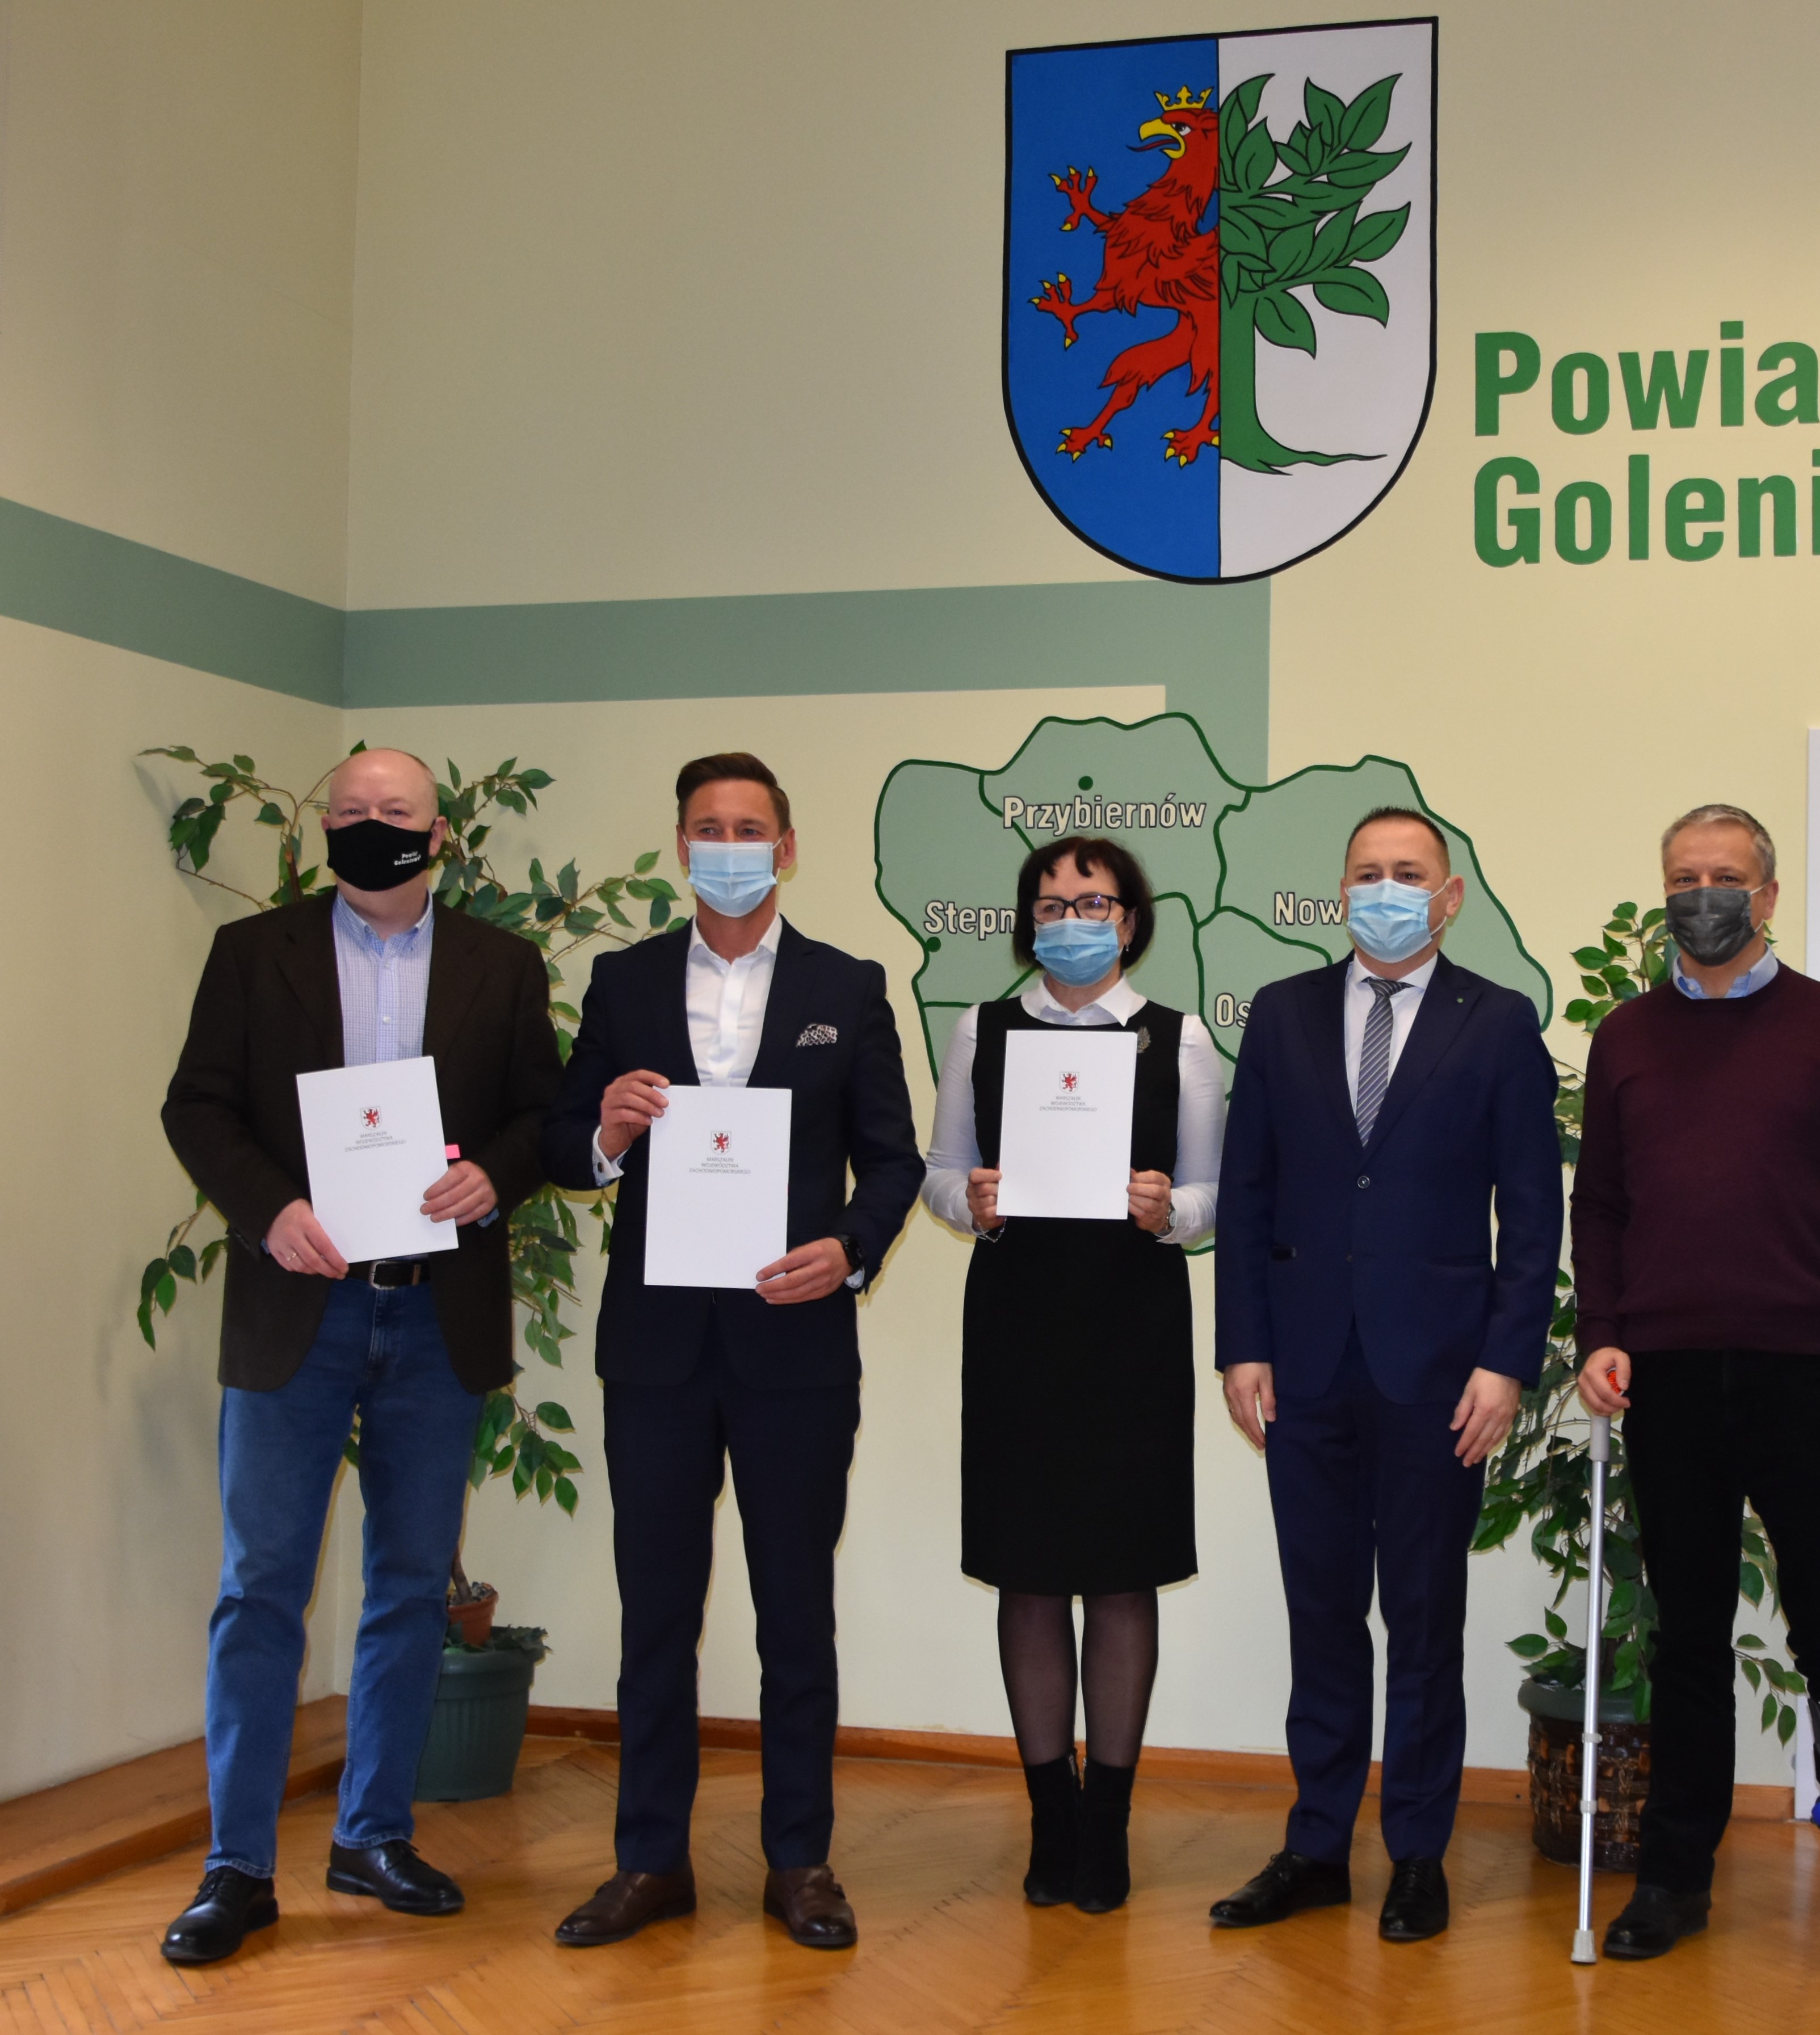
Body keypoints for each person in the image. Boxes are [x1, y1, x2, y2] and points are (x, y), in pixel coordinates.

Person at [155, 746, 563, 1966]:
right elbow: (196, 1105)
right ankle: (236, 1866)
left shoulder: (503, 963)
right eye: (349, 810)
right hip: (300, 1305)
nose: (370, 823)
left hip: (437, 1315)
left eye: (395, 810)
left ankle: (372, 1834)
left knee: (408, 1586)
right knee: (260, 1588)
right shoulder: (253, 952)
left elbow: (541, 1115)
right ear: (323, 828)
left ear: (439, 835)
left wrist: (497, 1175)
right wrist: (269, 1207)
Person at [543, 753, 923, 1953]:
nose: (728, 845)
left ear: (786, 848)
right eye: (708, 827)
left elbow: (894, 1158)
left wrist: (848, 1248)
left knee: (794, 1615)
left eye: (749, 827)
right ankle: (648, 1859)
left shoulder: (847, 984)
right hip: (654, 1353)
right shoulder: (622, 980)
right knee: (655, 1614)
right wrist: (604, 1133)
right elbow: (565, 1140)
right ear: (680, 845)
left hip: (793, 1348)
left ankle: (799, 1860)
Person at [1573, 802, 1820, 1974]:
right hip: (1667, 1377)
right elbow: (1600, 1205)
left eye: (1724, 876)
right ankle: (1672, 1877)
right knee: (1685, 1632)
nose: (1703, 896)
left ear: (1769, 895)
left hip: (1807, 1375)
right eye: (1683, 878)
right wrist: (1599, 1334)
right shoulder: (1627, 1034)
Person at [1209, 807, 1562, 1944]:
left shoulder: (1497, 1021)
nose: (1386, 889)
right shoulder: (1282, 1014)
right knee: (1320, 1615)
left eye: (1408, 873)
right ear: (1341, 891)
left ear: (1448, 896)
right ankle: (1316, 1844)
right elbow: (1248, 1190)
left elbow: (1532, 1211)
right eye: (1367, 872)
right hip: (1303, 1368)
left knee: (1421, 1617)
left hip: (1441, 1374)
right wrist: (1242, 1343)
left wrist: (1507, 1361)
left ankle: (1416, 1851)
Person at [917, 835, 1224, 1915]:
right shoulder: (983, 1027)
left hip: (1133, 1328)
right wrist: (974, 1204)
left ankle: (1109, 1823)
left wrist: (1168, 1209)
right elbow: (939, 1173)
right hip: (1020, 1324)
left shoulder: (1179, 1038)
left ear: (1129, 920)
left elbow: (1214, 1193)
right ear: (1027, 921)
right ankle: (1052, 1816)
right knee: (1031, 1572)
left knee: (1124, 1574)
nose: (1071, 919)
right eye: (1051, 904)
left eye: (1093, 903)